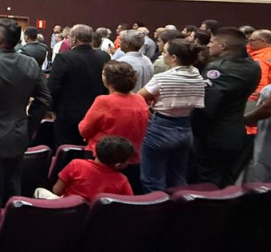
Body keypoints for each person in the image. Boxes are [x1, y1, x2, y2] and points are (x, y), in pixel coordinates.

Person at [0, 20, 52, 204]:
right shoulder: (31, 63)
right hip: (19, 135)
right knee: (14, 190)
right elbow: (44, 99)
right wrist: (29, 126)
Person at [192, 28, 261, 187]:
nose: (208, 45)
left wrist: (194, 131)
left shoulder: (218, 69)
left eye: (212, 42)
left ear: (223, 45)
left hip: (213, 135)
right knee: (227, 182)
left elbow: (206, 107)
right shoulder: (252, 65)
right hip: (236, 130)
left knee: (208, 183)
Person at [137, 39, 206, 192]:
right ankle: (178, 212)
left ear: (174, 58)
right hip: (186, 129)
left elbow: (139, 97)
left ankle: (156, 213)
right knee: (178, 177)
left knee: (152, 180)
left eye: (164, 52)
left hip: (160, 128)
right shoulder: (198, 76)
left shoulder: (162, 78)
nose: (162, 54)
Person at [48, 24, 110, 146]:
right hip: (96, 112)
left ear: (74, 39)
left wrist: (51, 109)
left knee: (67, 150)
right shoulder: (104, 56)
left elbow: (53, 87)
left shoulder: (63, 57)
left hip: (67, 114)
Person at [79, 61, 149, 167]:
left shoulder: (104, 101)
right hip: (131, 158)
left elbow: (84, 129)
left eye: (103, 74)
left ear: (108, 80)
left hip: (103, 158)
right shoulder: (140, 99)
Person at [34, 136, 133, 201]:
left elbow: (56, 190)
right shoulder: (122, 181)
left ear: (95, 152)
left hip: (68, 210)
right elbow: (126, 206)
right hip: (97, 220)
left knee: (39, 191)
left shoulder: (76, 165)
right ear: (118, 165)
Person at [245, 84, 271, 183]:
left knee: (255, 190)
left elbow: (266, 110)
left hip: (265, 156)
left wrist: (242, 120)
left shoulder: (268, 90)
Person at [248, 30, 271, 102]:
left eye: (252, 40)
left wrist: (252, 100)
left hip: (259, 97)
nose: (249, 42)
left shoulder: (261, 58)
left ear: (262, 42)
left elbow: (260, 79)